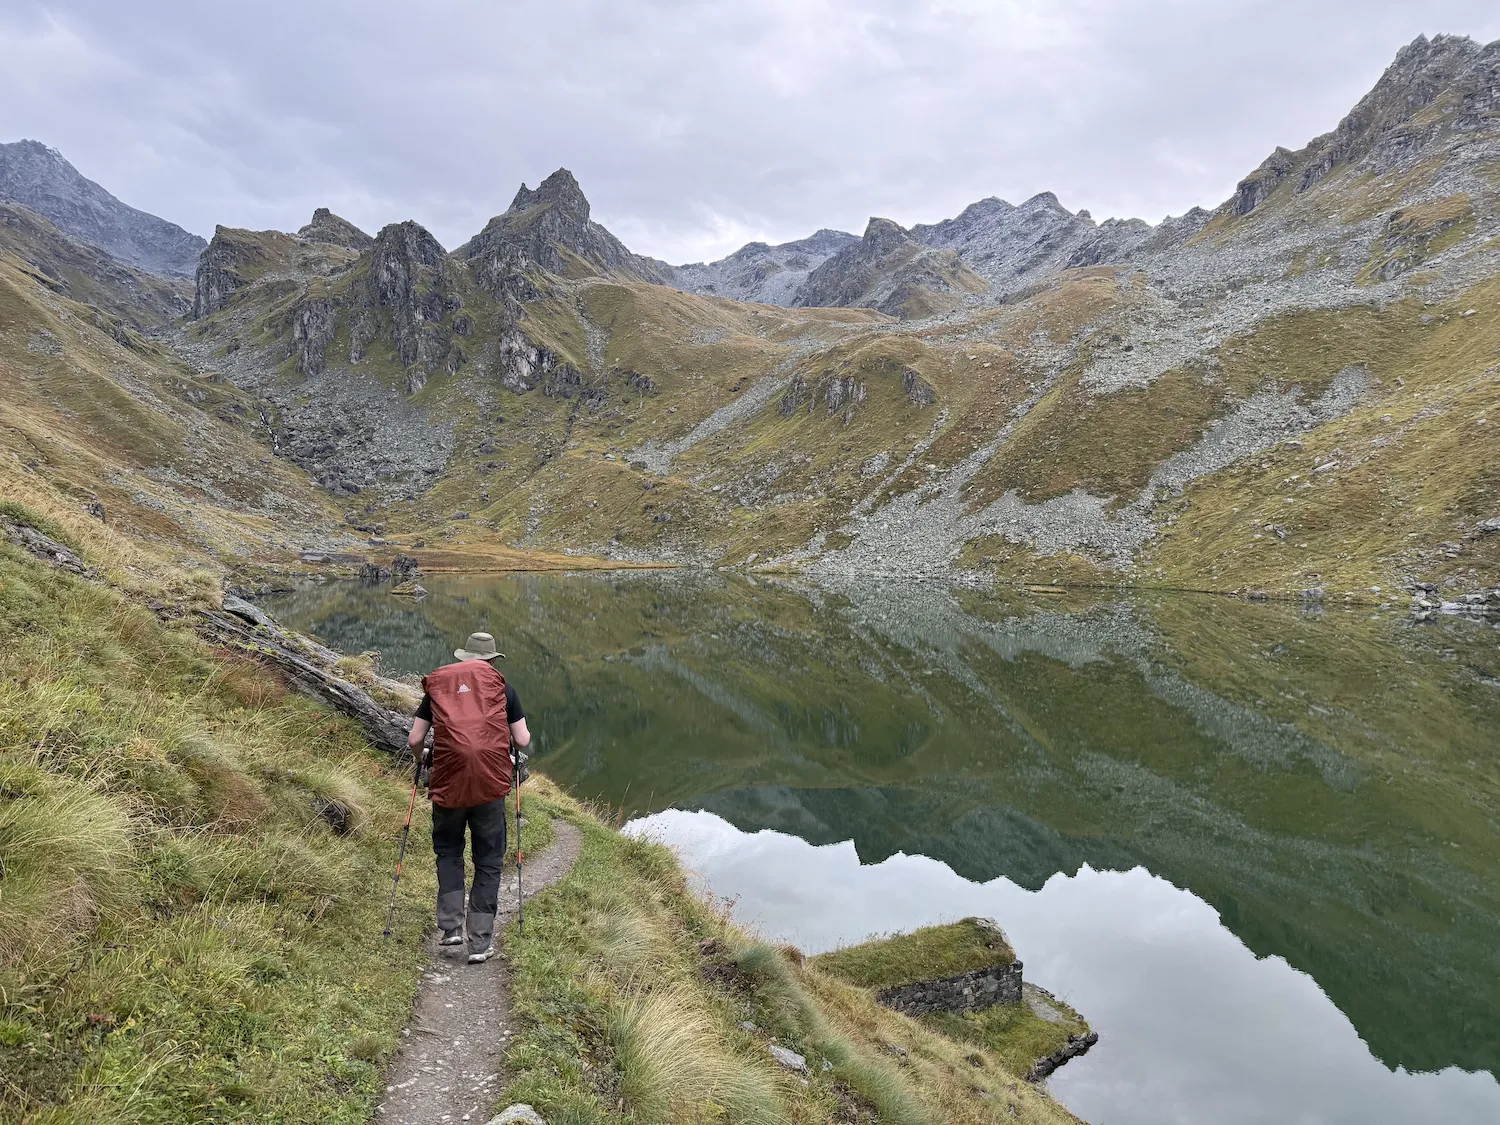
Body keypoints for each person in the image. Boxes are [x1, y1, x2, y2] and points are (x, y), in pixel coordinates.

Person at [407, 630, 531, 964]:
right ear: (492, 660)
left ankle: (451, 928)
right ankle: (480, 943)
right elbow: (521, 739)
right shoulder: (502, 687)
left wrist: (424, 758)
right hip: (489, 787)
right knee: (488, 859)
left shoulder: (441, 685)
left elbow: (415, 738)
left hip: (448, 784)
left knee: (448, 851)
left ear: (465, 658)